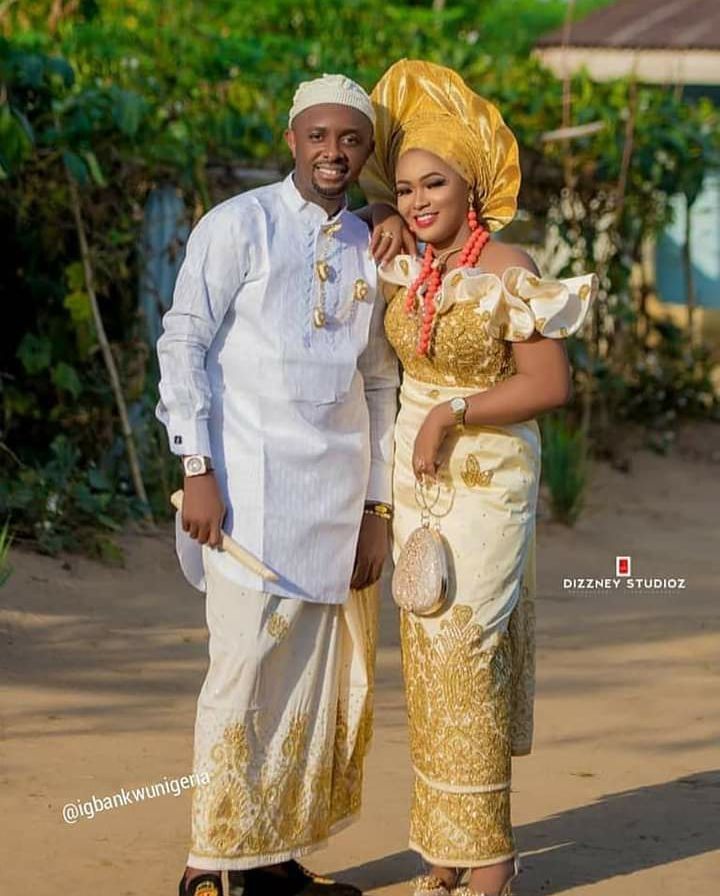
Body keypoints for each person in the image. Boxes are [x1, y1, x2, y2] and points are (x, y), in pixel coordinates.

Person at [156, 74, 402, 896]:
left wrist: (377, 507)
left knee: (306, 684)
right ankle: (210, 864)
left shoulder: (373, 246)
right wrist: (196, 469)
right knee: (242, 674)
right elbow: (182, 341)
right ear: (291, 139)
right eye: (319, 137)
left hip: (333, 506)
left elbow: (376, 383)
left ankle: (275, 859)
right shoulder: (240, 226)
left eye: (352, 140)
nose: (335, 154)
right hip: (244, 499)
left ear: (368, 150)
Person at [360, 60, 598, 896]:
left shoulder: (505, 266)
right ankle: (442, 851)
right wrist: (381, 212)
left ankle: (491, 857)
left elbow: (548, 385)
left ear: (472, 186)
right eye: (406, 187)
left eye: (436, 183)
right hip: (417, 478)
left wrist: (451, 414)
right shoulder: (406, 259)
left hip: (487, 477)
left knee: (468, 648)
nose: (420, 199)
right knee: (424, 655)